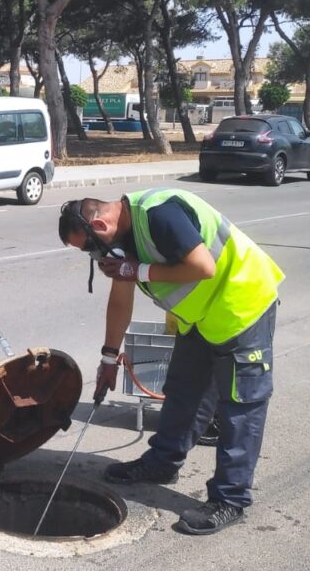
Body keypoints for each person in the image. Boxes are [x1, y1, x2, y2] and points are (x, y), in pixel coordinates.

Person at [58, 189, 284, 535]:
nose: (94, 255)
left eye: (89, 247)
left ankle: (230, 499)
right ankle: (163, 463)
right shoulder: (124, 240)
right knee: (183, 390)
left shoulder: (159, 215)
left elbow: (202, 266)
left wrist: (139, 269)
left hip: (243, 308)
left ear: (101, 225)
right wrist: (108, 358)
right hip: (201, 320)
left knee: (240, 406)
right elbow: (120, 300)